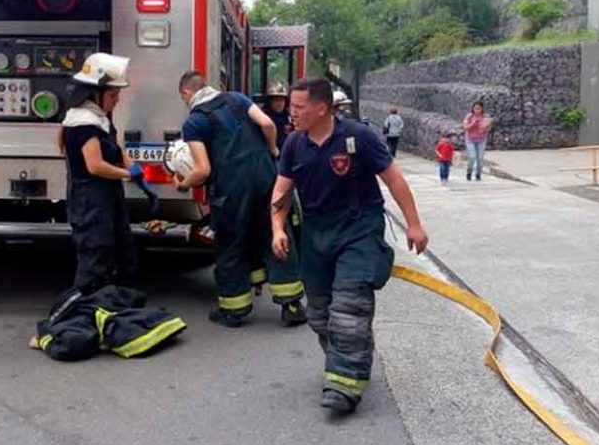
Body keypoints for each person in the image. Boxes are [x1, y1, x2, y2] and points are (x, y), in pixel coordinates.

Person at [270, 78, 428, 414]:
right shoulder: (294, 144)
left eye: (299, 107)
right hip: (316, 234)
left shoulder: (359, 138)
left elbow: (395, 180)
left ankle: (344, 384)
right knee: (320, 314)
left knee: (349, 309)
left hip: (358, 230)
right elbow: (281, 192)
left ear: (322, 108)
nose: (292, 113)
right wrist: (277, 228)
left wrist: (414, 224)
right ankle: (347, 359)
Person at [175, 71, 306, 328]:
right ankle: (292, 305)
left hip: (231, 188)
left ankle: (234, 309)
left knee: (232, 243)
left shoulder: (194, 122)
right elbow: (268, 125)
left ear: (186, 93)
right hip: (266, 178)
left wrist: (183, 184)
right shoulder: (237, 99)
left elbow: (202, 170)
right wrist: (271, 149)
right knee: (276, 233)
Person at [62, 53, 143, 295]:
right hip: (90, 199)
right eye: (113, 95)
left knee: (120, 250)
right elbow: (94, 165)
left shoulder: (100, 119)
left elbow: (115, 148)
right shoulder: (83, 122)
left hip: (105, 195)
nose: (117, 100)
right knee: (96, 257)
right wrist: (127, 175)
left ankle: (112, 304)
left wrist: (130, 165)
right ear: (94, 93)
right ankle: (86, 310)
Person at [462, 101, 493, 181]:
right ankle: (469, 171)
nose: (477, 110)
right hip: (470, 139)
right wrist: (472, 124)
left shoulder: (485, 117)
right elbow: (465, 127)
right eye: (475, 108)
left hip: (481, 139)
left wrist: (484, 128)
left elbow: (489, 127)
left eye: (479, 108)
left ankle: (478, 174)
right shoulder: (469, 116)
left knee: (480, 158)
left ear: (482, 109)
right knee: (472, 156)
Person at [263, 82, 294, 152]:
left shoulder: (290, 117)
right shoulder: (263, 118)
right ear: (269, 102)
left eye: (282, 100)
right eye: (276, 100)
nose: (279, 103)